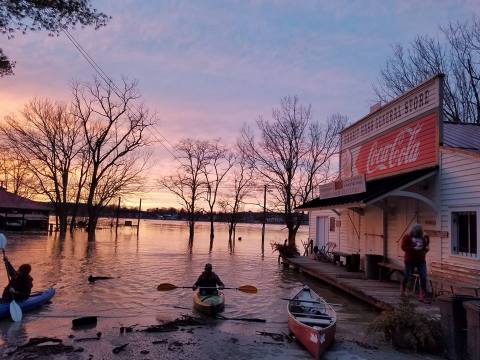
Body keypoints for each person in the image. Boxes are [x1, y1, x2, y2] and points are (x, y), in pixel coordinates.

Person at [401, 224, 429, 302]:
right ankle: (403, 289)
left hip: (421, 260)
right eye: (417, 232)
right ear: (413, 231)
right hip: (409, 260)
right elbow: (403, 247)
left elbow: (424, 247)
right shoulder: (407, 237)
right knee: (407, 275)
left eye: (419, 232)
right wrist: (412, 247)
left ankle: (422, 295)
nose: (418, 233)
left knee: (423, 277)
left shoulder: (422, 238)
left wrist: (425, 249)